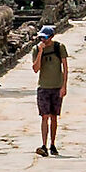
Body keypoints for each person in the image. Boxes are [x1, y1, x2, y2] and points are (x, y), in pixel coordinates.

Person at [32, 25, 68, 156]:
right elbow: (36, 68)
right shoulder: (36, 49)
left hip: (57, 86)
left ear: (51, 37)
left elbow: (65, 67)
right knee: (44, 116)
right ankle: (44, 144)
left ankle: (53, 143)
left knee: (54, 117)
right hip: (43, 87)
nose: (43, 39)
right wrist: (40, 52)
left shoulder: (59, 47)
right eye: (41, 37)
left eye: (45, 37)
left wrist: (64, 86)